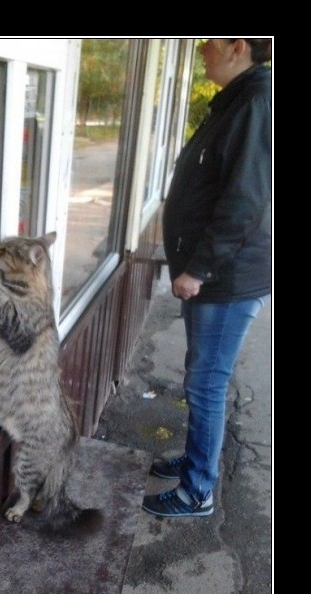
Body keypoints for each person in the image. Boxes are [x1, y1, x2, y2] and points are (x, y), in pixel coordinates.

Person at [142, 38, 271, 518]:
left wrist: (199, 269)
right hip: (218, 275)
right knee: (204, 378)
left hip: (226, 279)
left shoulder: (257, 101)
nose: (200, 47)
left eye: (210, 40)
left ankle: (198, 489)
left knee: (206, 382)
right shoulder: (241, 97)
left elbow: (244, 202)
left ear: (238, 47)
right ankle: (198, 460)